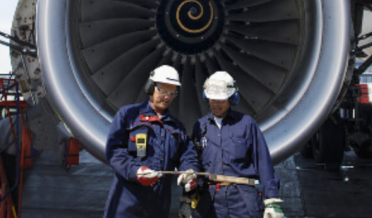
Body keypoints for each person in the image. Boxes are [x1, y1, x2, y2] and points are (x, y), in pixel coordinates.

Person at [104, 64, 199, 218]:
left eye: (172, 92)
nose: (167, 96)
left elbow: (187, 154)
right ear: (150, 88)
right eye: (162, 90)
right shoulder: (128, 115)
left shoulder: (176, 127)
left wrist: (189, 172)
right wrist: (135, 172)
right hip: (127, 202)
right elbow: (114, 153)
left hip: (158, 206)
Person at [191, 72, 284, 218]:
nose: (216, 104)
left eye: (221, 100)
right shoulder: (200, 126)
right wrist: (187, 192)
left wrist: (271, 200)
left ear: (231, 99)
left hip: (242, 201)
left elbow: (263, 162)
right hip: (210, 199)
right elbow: (193, 161)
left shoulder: (246, 124)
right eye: (212, 99)